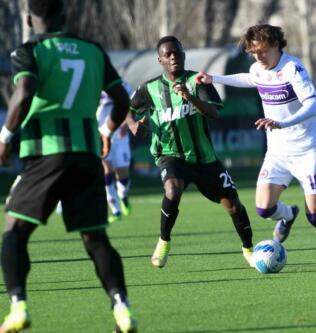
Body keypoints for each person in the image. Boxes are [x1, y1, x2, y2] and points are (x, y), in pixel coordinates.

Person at [0, 1, 137, 332]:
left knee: (14, 231)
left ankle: (18, 306)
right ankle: (122, 309)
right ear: (64, 16)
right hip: (87, 155)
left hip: (46, 154)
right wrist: (106, 131)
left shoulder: (29, 49)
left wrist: (5, 136)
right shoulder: (92, 50)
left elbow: (25, 91)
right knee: (96, 239)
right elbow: (121, 100)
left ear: (31, 19)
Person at [196, 24, 316, 269]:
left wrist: (282, 122)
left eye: (263, 51)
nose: (258, 57)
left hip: (307, 149)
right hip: (278, 151)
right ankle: (288, 215)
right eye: (253, 52)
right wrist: (213, 78)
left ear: (277, 45)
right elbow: (250, 79)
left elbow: (314, 106)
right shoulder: (258, 68)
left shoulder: (293, 68)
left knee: (315, 216)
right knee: (263, 208)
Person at [128, 36, 254, 269]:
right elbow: (127, 107)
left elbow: (214, 114)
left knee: (233, 206)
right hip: (170, 155)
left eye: (177, 52)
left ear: (183, 55)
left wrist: (190, 96)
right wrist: (133, 125)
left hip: (204, 158)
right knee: (173, 190)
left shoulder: (198, 81)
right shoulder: (150, 88)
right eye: (168, 54)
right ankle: (164, 241)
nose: (173, 57)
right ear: (160, 60)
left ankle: (249, 249)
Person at [97, 82, 134, 223]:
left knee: (122, 173)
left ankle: (123, 196)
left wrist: (126, 124)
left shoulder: (124, 85)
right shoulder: (95, 84)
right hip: (102, 135)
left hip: (120, 136)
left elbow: (131, 106)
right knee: (107, 170)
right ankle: (115, 210)